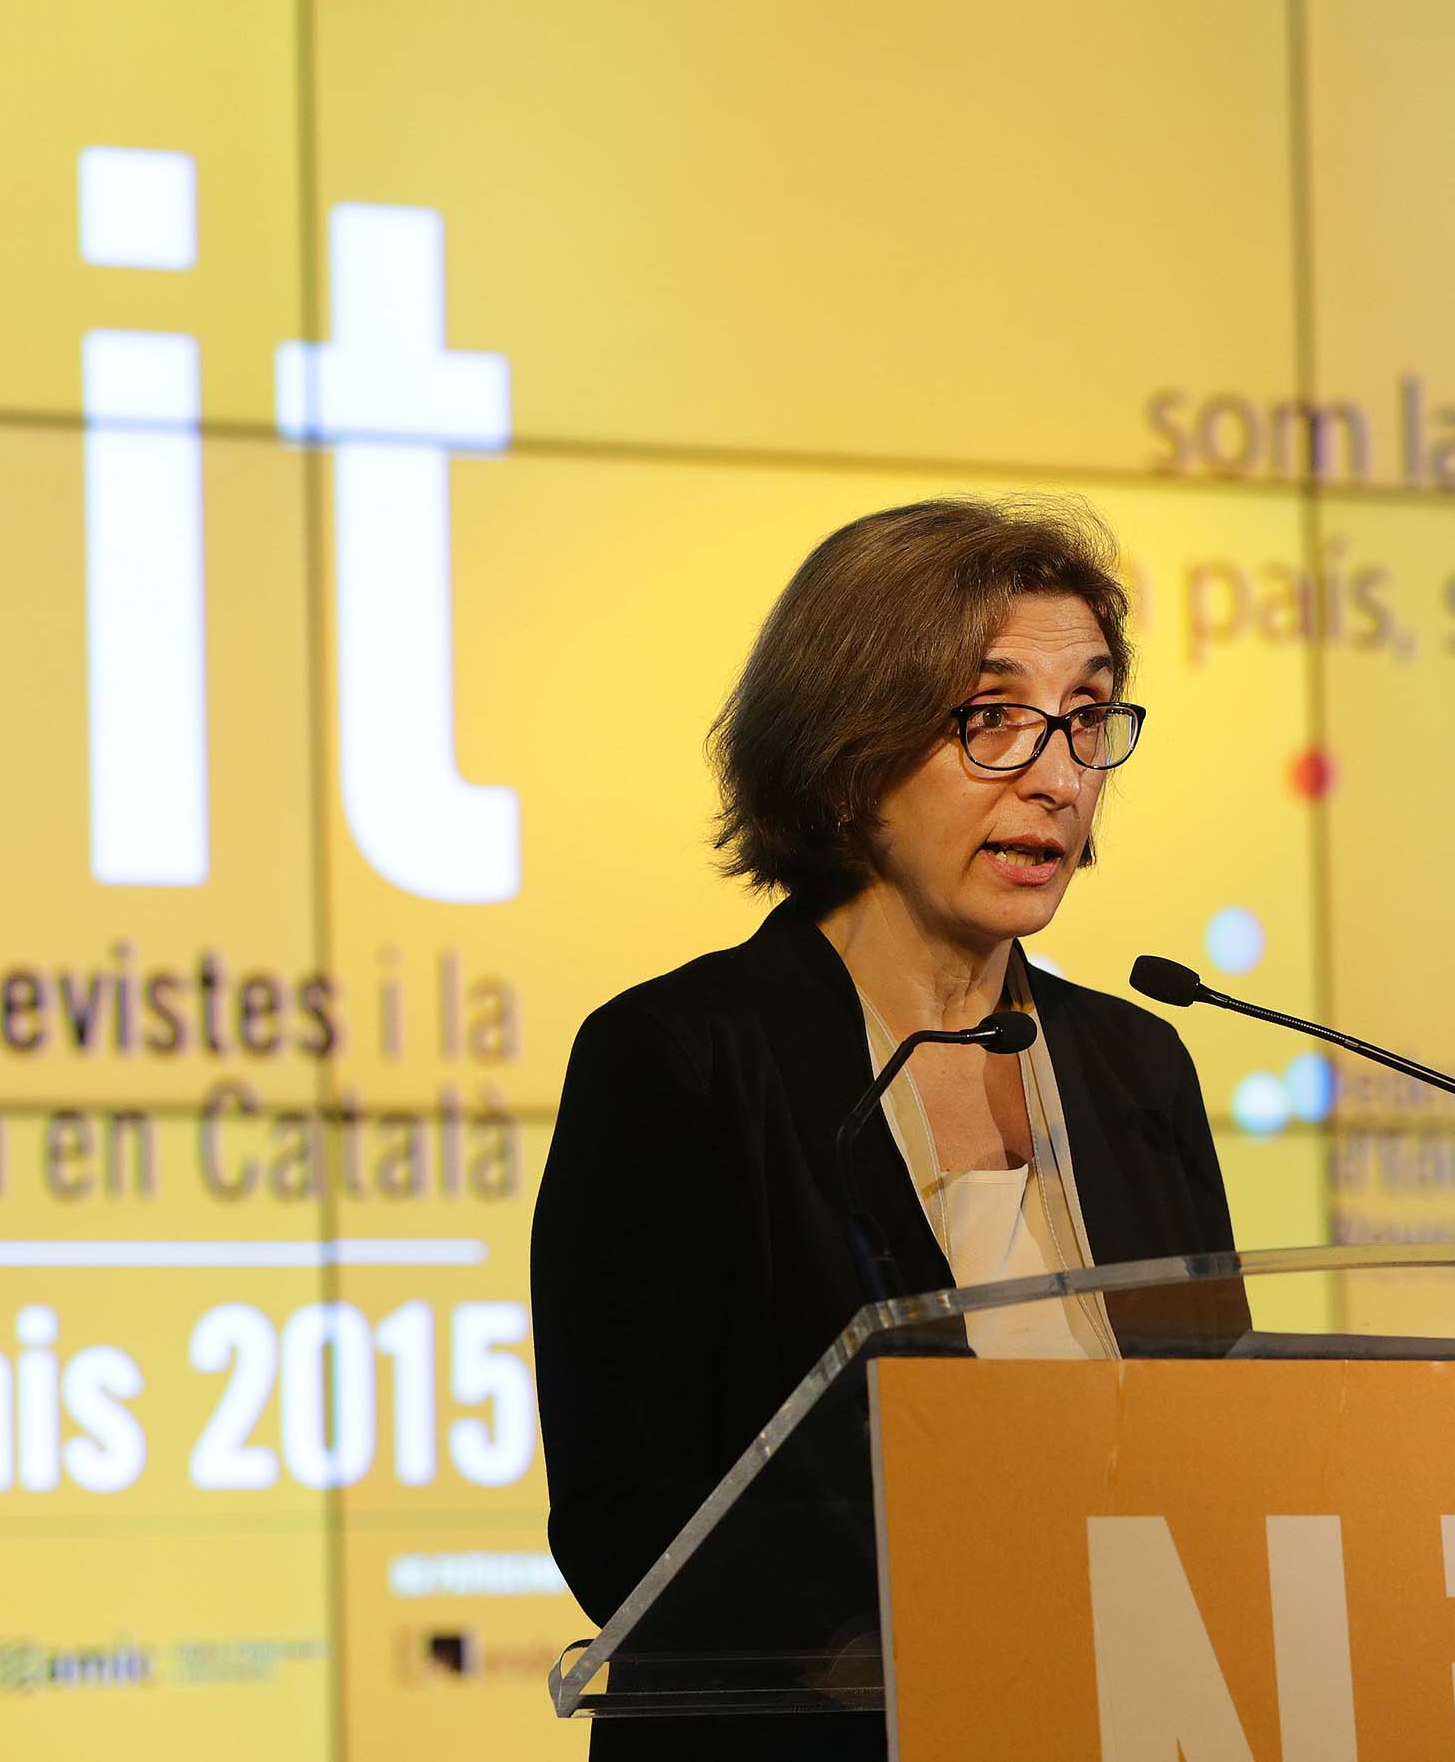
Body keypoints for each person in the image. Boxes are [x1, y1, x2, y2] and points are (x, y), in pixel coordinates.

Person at [529, 496, 1238, 1759]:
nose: (1061, 776)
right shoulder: (681, 1058)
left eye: (1086, 716)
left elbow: (1223, 1446)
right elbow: (622, 1515)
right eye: (994, 717)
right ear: (850, 751)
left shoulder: (1139, 1066)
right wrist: (898, 1631)